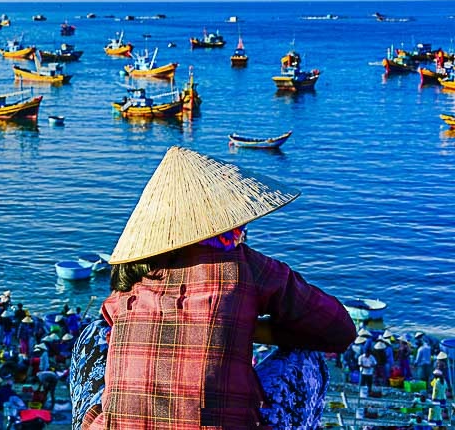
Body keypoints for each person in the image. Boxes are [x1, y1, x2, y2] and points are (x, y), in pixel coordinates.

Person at [71, 147, 356, 429]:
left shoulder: (134, 274)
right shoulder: (245, 266)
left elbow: (110, 318)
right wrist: (254, 329)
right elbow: (339, 331)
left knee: (94, 333)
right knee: (307, 356)